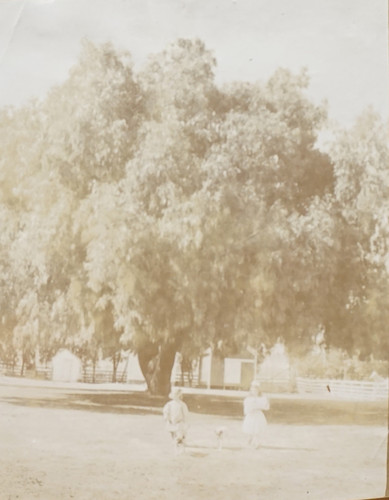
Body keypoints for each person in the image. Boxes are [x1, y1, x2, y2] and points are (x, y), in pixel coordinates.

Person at [242, 380, 269, 449]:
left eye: (256, 390)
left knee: (257, 428)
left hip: (258, 414)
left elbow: (266, 407)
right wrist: (251, 408)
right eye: (253, 390)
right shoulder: (248, 399)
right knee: (250, 427)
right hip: (251, 414)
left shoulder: (262, 398)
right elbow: (246, 408)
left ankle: (257, 442)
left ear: (258, 391)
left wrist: (260, 405)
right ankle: (250, 440)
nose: (254, 392)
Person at [163, 386, 189, 454]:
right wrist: (167, 419)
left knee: (179, 435)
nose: (176, 397)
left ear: (180, 396)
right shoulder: (169, 404)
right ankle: (174, 443)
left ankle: (180, 446)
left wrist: (185, 422)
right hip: (172, 422)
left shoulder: (182, 404)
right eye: (174, 395)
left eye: (177, 395)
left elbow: (185, 414)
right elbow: (166, 411)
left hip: (179, 422)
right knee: (173, 433)